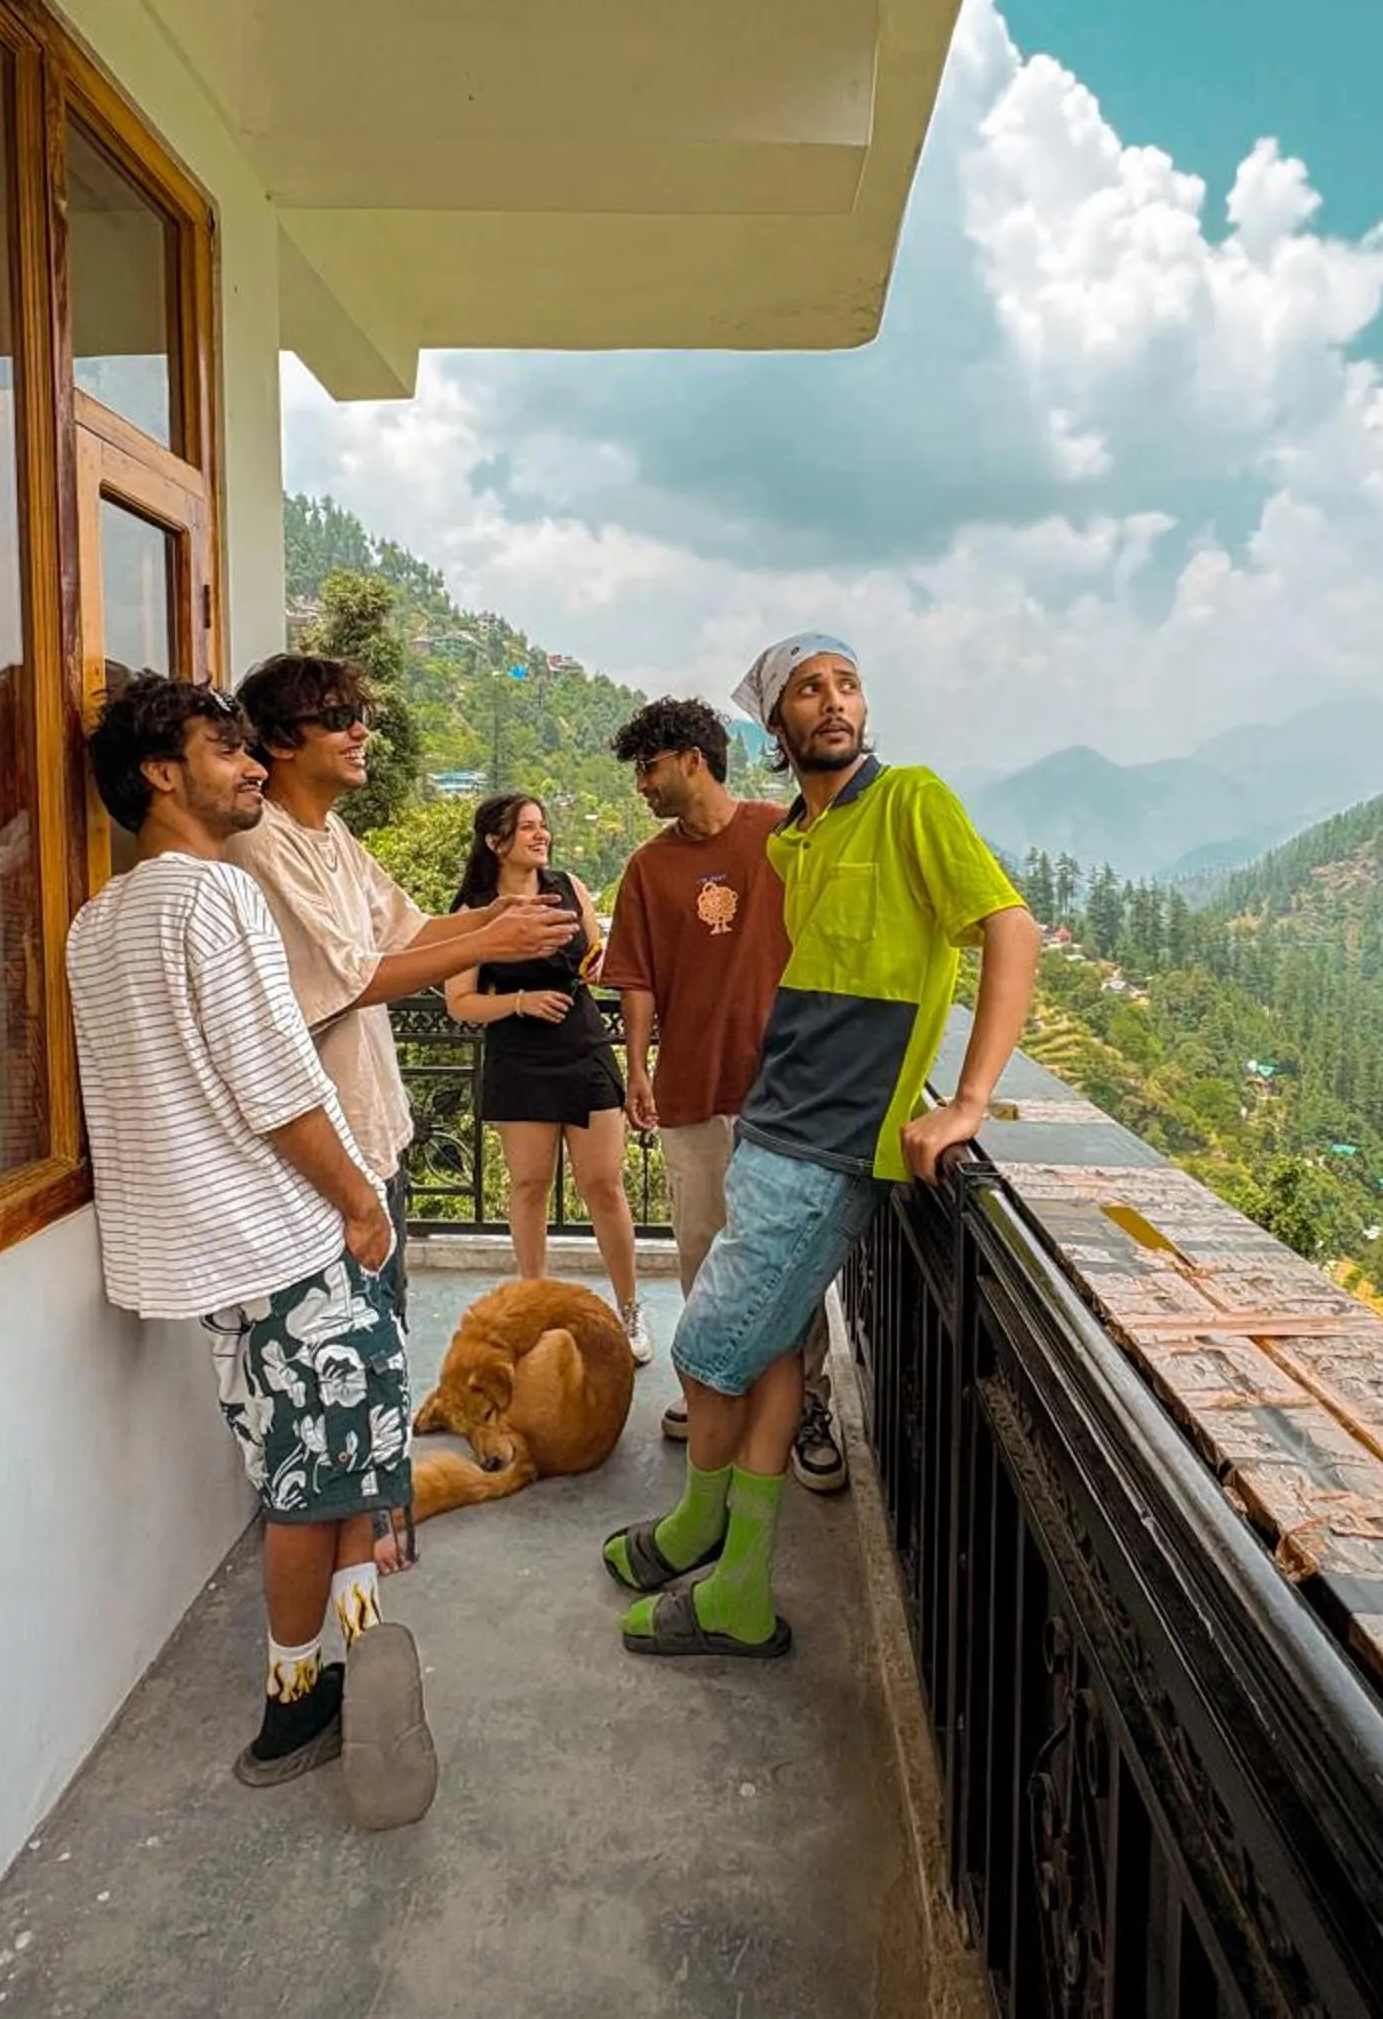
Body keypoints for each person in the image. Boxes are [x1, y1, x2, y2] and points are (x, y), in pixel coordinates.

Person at [604, 637, 1039, 1658]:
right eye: (810, 689)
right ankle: (725, 1563)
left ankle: (716, 1551)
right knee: (761, 1358)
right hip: (773, 1119)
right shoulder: (796, 841)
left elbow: (1008, 930)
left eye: (847, 684)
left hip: (831, 1147)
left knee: (707, 1353)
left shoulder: (910, 801)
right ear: (778, 725)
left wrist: (968, 1100)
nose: (835, 701)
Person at [63, 674, 436, 1827]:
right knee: (319, 1481)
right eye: (227, 748)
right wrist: (360, 1202)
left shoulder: (96, 921)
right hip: (286, 1232)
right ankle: (298, 1706)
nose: (253, 767)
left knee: (311, 1467)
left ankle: (350, 1666)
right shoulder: (212, 900)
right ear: (161, 775)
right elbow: (279, 1083)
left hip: (203, 1250)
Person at [223, 652, 580, 1337]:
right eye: (337, 719)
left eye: (363, 717)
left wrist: (494, 917)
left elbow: (407, 931)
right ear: (279, 741)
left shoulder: (332, 833)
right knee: (340, 1357)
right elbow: (352, 977)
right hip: (317, 1155)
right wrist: (486, 944)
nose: (360, 733)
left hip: (375, 1137)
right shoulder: (262, 844)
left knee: (382, 1342)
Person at [599, 697, 846, 1493]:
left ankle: (808, 1403)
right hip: (690, 1091)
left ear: (693, 761)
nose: (642, 785)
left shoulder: (783, 835)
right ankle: (714, 1394)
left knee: (785, 1262)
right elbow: (634, 977)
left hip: (786, 1096)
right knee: (704, 1255)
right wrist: (637, 1067)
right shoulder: (648, 867)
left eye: (650, 768)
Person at [441, 793, 652, 1362]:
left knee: (604, 1184)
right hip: (520, 1053)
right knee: (530, 1187)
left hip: (583, 1044)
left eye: (542, 826)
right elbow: (459, 1002)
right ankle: (533, 1311)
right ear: (495, 841)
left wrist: (602, 966)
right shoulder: (477, 909)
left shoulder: (569, 886)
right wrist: (520, 1001)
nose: (541, 835)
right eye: (527, 828)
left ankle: (630, 1312)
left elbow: (598, 957)